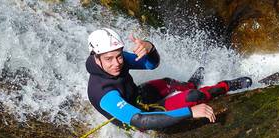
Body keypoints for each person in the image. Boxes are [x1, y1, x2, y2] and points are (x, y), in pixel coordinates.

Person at [86, 28, 252, 130]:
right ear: (96, 58)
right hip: (140, 117)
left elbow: (152, 64)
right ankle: (227, 85)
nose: (116, 63)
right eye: (109, 59)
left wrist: (149, 47)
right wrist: (190, 112)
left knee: (168, 82)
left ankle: (190, 83)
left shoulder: (114, 58)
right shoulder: (102, 92)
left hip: (137, 96)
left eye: (119, 57)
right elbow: (140, 120)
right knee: (194, 96)